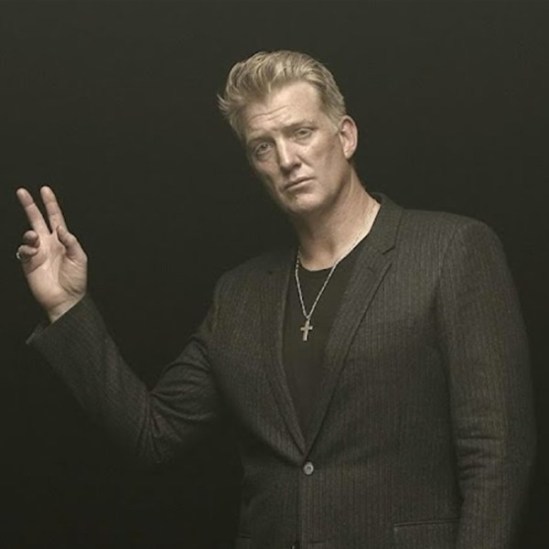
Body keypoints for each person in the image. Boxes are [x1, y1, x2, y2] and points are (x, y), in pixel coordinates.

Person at [16, 50, 535, 549]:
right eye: (263, 146)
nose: (287, 160)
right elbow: (152, 435)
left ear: (345, 135)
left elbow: (498, 455)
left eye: (301, 132)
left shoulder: (450, 251)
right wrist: (66, 307)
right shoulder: (240, 294)